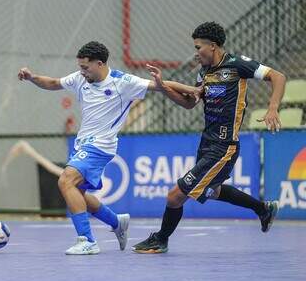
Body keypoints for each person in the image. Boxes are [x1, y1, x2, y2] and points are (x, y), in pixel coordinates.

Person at [18, 41, 200, 255]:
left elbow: (159, 85)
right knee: (76, 192)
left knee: (66, 180)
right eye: (80, 67)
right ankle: (116, 222)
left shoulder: (122, 82)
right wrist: (32, 78)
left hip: (101, 145)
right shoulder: (80, 78)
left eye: (86, 67)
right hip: (83, 145)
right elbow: (53, 83)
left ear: (100, 63)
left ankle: (87, 240)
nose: (82, 71)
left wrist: (193, 89)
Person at [132, 22, 286, 254]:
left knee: (175, 196)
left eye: (198, 47)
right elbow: (189, 103)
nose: (196, 52)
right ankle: (263, 209)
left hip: (225, 146)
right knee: (213, 190)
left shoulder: (237, 65)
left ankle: (160, 239)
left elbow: (278, 76)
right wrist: (163, 87)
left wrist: (273, 108)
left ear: (212, 46)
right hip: (207, 142)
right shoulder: (203, 72)